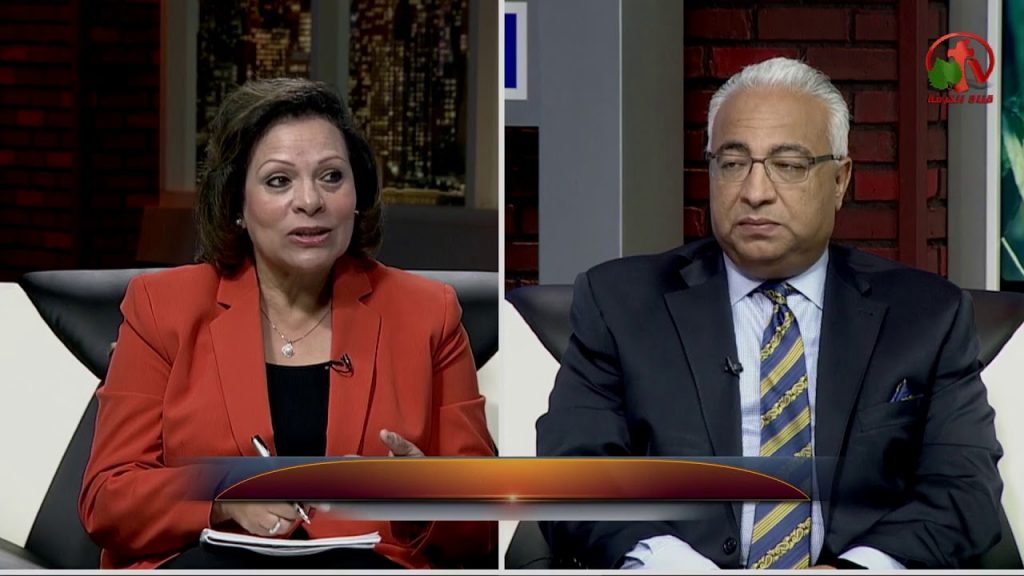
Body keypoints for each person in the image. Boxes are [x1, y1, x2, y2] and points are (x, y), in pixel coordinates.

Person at [536, 57, 1003, 569]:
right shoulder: (620, 303)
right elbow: (572, 475)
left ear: (840, 180)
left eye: (789, 165)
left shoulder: (927, 317)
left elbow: (964, 492)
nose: (755, 193)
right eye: (733, 163)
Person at [79, 78, 495, 569]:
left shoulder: (428, 312)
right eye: (279, 181)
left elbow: (488, 518)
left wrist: (419, 494)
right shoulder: (162, 307)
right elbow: (108, 498)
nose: (310, 201)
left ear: (357, 195)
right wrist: (223, 494)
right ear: (236, 204)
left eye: (332, 177)